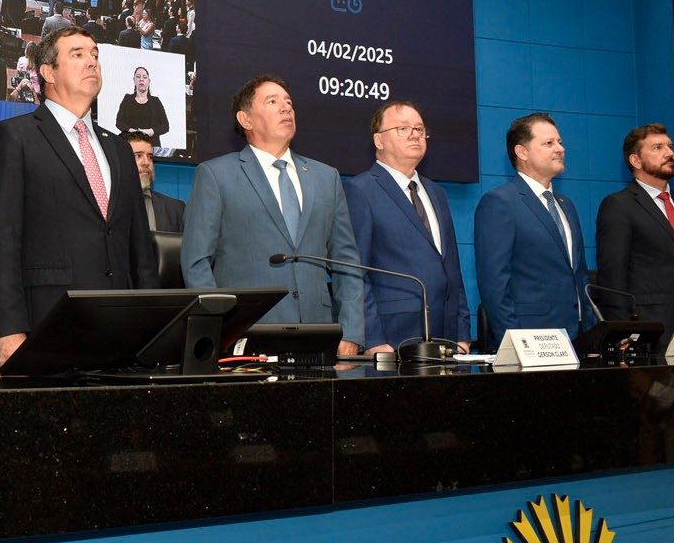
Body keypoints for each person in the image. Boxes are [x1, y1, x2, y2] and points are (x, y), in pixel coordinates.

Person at [0, 26, 158, 369]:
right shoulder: (13, 138)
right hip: (47, 327)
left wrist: (152, 330)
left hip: (122, 336)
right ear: (47, 72)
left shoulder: (118, 148)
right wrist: (9, 331)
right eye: (77, 54)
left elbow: (140, 249)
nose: (92, 62)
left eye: (94, 55)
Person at [181, 74, 364, 352]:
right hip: (246, 335)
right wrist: (220, 327)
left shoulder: (326, 177)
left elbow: (346, 263)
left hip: (318, 334)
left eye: (288, 102)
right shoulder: (216, 175)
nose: (286, 107)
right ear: (246, 120)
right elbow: (196, 262)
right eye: (272, 101)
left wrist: (350, 332)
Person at [344, 101, 471, 354]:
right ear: (379, 141)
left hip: (445, 339)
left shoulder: (437, 193)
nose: (415, 134)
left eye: (419, 128)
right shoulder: (360, 190)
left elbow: (452, 271)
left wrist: (462, 334)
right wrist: (372, 340)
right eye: (403, 128)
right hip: (392, 339)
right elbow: (355, 273)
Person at [474, 112, 596, 350]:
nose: (560, 149)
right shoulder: (500, 202)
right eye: (548, 143)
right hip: (531, 340)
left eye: (559, 142)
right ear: (522, 152)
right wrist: (515, 342)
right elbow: (494, 283)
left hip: (577, 338)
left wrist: (591, 333)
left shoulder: (566, 205)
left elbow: (579, 276)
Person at [595, 123, 674, 338]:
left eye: (670, 146)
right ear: (635, 160)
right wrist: (623, 332)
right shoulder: (619, 205)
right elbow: (612, 278)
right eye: (657, 148)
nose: (669, 153)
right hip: (648, 327)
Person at [124, 132, 184, 233]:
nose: (146, 162)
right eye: (138, 156)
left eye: (150, 157)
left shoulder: (176, 209)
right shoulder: (104, 205)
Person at [114, 66, 170, 147]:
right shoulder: (127, 99)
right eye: (138, 76)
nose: (141, 79)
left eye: (144, 77)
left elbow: (165, 126)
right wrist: (132, 131)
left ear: (149, 81)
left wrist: (150, 131)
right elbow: (119, 122)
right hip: (130, 145)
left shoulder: (156, 101)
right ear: (134, 80)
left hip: (152, 146)